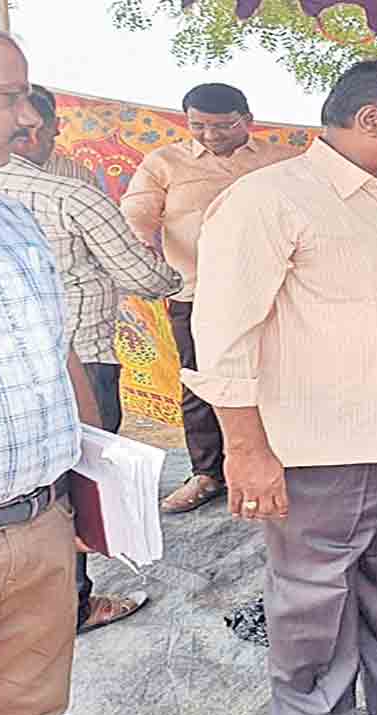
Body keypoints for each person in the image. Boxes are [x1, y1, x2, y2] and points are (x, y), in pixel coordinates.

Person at [183, 58, 377, 715]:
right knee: (312, 595)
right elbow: (223, 336)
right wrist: (245, 449)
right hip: (325, 447)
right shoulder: (271, 199)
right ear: (370, 118)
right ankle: (312, 711)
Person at [0, 13, 103, 715]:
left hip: (38, 527)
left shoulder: (8, 217)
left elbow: (55, 349)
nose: (29, 116)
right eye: (6, 96)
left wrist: (87, 490)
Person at [0, 82, 179, 634]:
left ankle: (10, 607)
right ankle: (72, 605)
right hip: (80, 360)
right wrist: (185, 278)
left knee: (12, 491)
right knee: (73, 486)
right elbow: (143, 276)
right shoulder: (68, 196)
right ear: (34, 126)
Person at [121, 82, 296, 514]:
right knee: (201, 384)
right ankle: (208, 474)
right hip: (197, 294)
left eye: (222, 126)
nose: (211, 135)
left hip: (276, 294)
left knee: (282, 378)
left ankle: (288, 468)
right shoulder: (164, 162)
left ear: (247, 121)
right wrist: (141, 238)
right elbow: (139, 212)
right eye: (199, 125)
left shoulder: (282, 160)